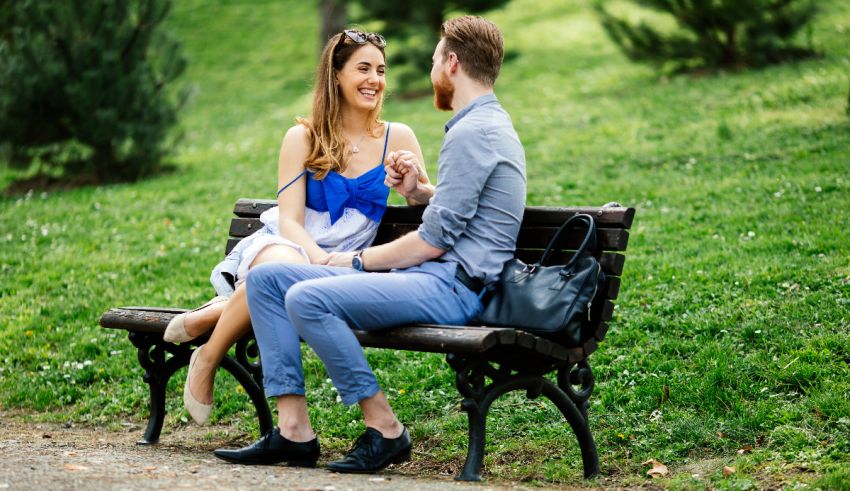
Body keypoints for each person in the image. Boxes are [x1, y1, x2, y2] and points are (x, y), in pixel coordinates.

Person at [213, 16, 526, 472]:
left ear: (452, 64)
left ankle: (386, 429)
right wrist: (419, 193)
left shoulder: (472, 132)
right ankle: (293, 432)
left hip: (456, 284)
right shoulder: (479, 126)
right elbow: (461, 209)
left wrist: (357, 260)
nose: (431, 68)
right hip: (436, 276)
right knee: (265, 279)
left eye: (435, 59)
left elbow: (433, 242)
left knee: (307, 298)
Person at [163, 29, 432, 426]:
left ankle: (214, 314)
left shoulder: (399, 136)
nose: (374, 79)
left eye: (380, 70)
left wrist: (416, 184)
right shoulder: (302, 137)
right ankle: (207, 358)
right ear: (336, 74)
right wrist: (320, 259)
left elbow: (422, 202)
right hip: (290, 242)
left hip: (344, 261)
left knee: (279, 286)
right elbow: (288, 219)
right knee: (272, 274)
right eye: (362, 68)